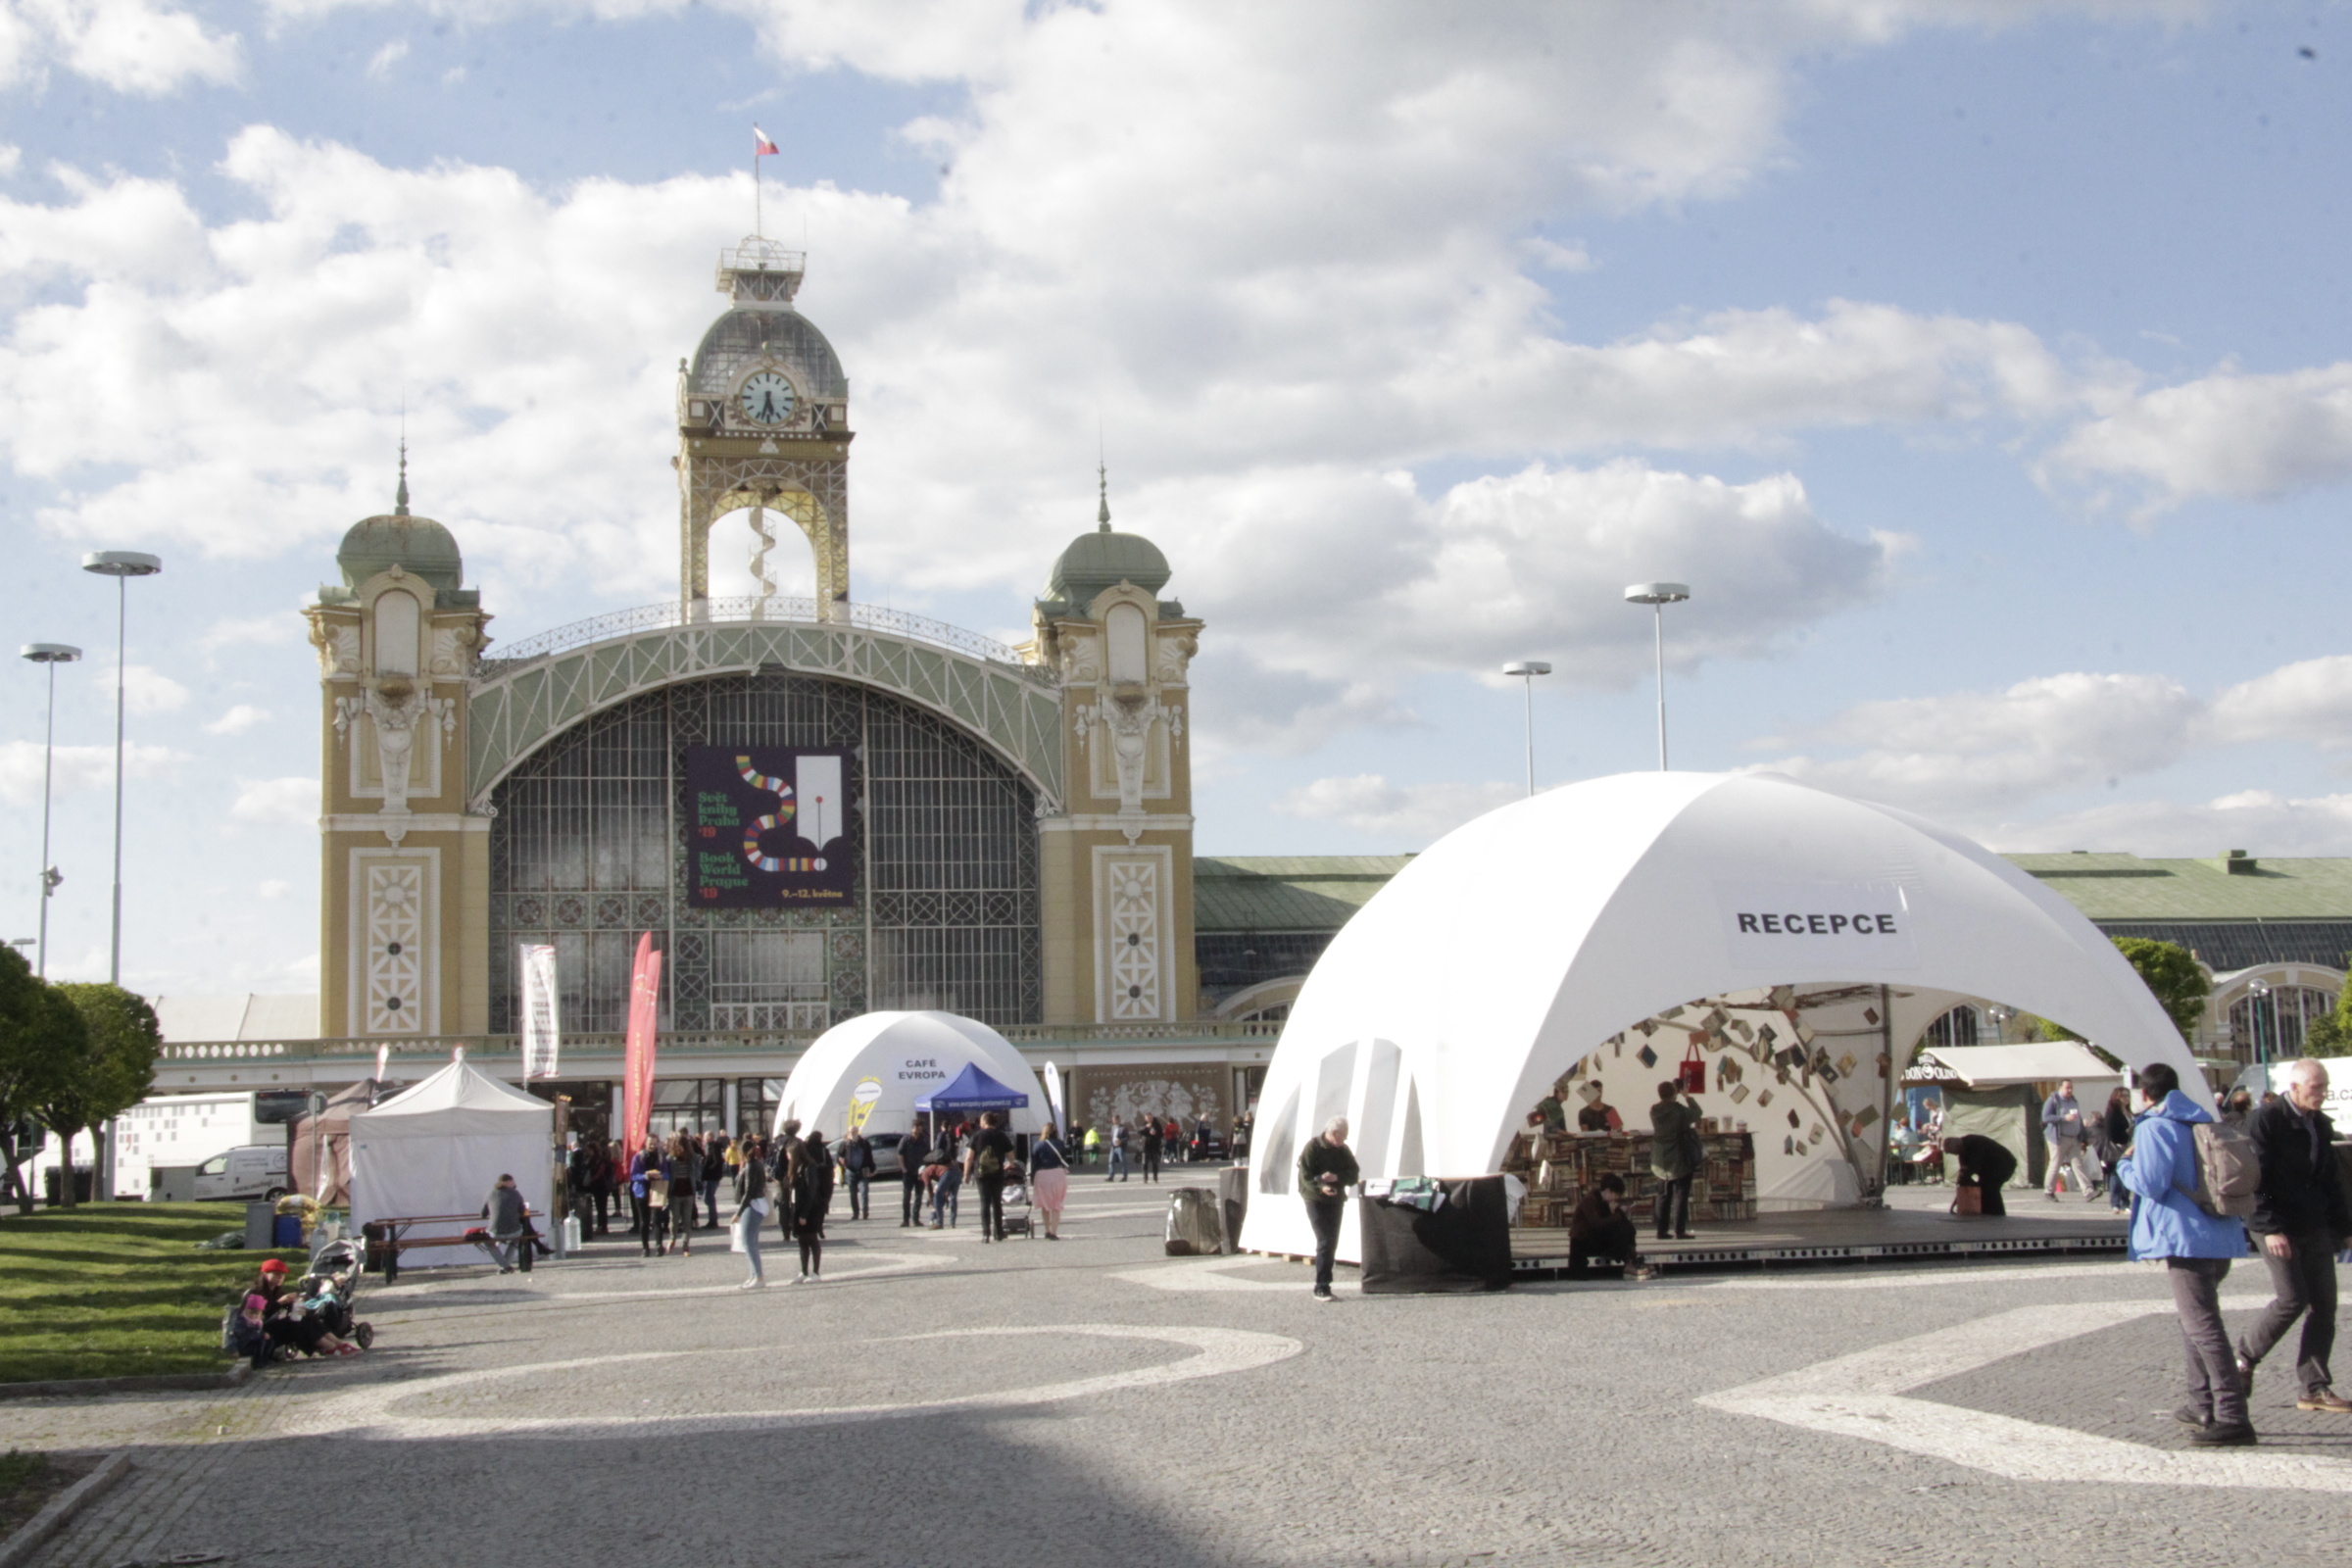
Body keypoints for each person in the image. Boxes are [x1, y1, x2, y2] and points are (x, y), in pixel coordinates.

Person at [2118, 1061, 2255, 1445]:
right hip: (2220, 1234)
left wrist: (2124, 1165)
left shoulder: (2154, 1126)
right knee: (2195, 1321)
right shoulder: (2203, 1119)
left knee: (2204, 1327)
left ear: (2146, 1093)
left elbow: (2151, 1184)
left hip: (2183, 1237)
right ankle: (2199, 1403)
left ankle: (2233, 1416)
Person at [2235, 1058, 2352, 1414]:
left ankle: (2314, 1387)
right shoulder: (2266, 1120)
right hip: (2274, 1225)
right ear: (2295, 1087)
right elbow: (2256, 1178)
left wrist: (2345, 1229)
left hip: (2312, 1224)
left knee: (2324, 1305)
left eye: (2325, 1086)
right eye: (2316, 1087)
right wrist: (2270, 1227)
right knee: (2292, 1298)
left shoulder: (2319, 1123)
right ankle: (2244, 1358)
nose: (2323, 1093)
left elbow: (2330, 1181)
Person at [1297, 1115, 1357, 1301]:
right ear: (1334, 1133)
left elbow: (1354, 1174)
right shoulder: (1313, 1147)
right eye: (1343, 1136)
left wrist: (1337, 1177)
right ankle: (1321, 1287)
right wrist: (1321, 1186)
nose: (1345, 1140)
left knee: (1331, 1241)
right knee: (1324, 1239)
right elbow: (1305, 1177)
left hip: (1335, 1199)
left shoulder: (1343, 1150)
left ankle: (1325, 1285)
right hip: (1314, 1199)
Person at [1648, 1080, 1699, 1241]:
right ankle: (1679, 1230)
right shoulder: (1678, 1110)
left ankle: (1661, 1230)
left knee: (1663, 1195)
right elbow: (1697, 1113)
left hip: (1660, 1158)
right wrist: (1687, 1097)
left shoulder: (1654, 1110)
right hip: (1679, 1155)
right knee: (1681, 1194)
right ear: (1674, 1093)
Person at [1567, 1174, 1644, 1280]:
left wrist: (1618, 1212)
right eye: (1616, 1194)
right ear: (1608, 1191)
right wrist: (1617, 1214)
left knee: (1626, 1226)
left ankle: (1631, 1260)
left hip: (1593, 1237)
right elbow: (1597, 1224)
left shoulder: (1602, 1201)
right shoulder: (1589, 1200)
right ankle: (1629, 1261)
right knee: (1619, 1228)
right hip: (1582, 1240)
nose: (1617, 1198)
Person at [967, 1110, 1017, 1242]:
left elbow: (969, 1158)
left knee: (984, 1202)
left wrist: (966, 1174)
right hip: (997, 1173)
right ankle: (999, 1232)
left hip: (981, 1174)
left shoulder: (977, 1135)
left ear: (984, 1121)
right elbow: (1012, 1157)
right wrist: (1008, 1165)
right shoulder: (1001, 1135)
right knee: (997, 1203)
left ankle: (986, 1234)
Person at [789, 1128, 832, 1282]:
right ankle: (803, 1271)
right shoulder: (798, 1167)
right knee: (802, 1241)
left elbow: (812, 1191)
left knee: (811, 1239)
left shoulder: (809, 1167)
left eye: (789, 1154)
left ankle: (815, 1272)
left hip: (811, 1208)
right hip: (799, 1206)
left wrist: (804, 1214)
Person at [2042, 1079, 2095, 1200]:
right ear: (2060, 1087)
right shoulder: (2053, 1100)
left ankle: (2088, 1191)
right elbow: (2046, 1117)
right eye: (2067, 1088)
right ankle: (2049, 1191)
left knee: (2078, 1164)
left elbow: (2078, 1117)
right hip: (2059, 1138)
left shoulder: (2073, 1100)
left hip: (2074, 1137)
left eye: (2071, 1088)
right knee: (2055, 1164)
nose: (2070, 1090)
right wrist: (2063, 1118)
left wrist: (2082, 1132)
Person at [1943, 1133, 2016, 1216]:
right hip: (1989, 1167)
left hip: (2004, 1164)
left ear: (1957, 1146)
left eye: (1954, 1152)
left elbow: (1973, 1165)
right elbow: (1964, 1171)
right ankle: (1987, 1211)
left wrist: (1966, 1179)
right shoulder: (1962, 1151)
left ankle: (1997, 1213)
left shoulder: (1975, 1143)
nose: (1956, 1154)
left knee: (1991, 1187)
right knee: (1984, 1187)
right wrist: (1961, 1187)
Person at [732, 1134, 770, 1289]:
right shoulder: (757, 1164)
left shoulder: (750, 1166)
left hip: (752, 1204)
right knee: (751, 1242)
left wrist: (738, 1213)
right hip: (758, 1203)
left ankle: (758, 1276)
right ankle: (754, 1275)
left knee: (748, 1243)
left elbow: (748, 1192)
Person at [1031, 1120, 1071, 1240]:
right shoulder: (1060, 1144)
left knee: (1045, 1204)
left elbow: (1034, 1164)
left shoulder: (1038, 1145)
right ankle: (1054, 1232)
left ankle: (1046, 1230)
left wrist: (1032, 1178)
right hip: (1057, 1173)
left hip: (1042, 1175)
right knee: (1056, 1204)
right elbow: (1064, 1159)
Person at [481, 1172, 528, 1273]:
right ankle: (506, 1266)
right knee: (515, 1240)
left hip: (495, 1231)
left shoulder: (490, 1193)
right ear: (508, 1182)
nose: (514, 1184)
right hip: (514, 1231)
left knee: (489, 1243)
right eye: (513, 1182)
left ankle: (505, 1267)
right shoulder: (516, 1193)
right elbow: (522, 1212)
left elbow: (483, 1214)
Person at [665, 1133, 701, 1257]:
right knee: (674, 1220)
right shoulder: (670, 1159)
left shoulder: (692, 1158)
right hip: (675, 1193)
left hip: (688, 1192)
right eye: (677, 1146)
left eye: (681, 1146)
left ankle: (686, 1246)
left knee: (687, 1221)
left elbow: (698, 1173)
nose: (679, 1148)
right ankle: (672, 1238)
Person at [2101, 1086, 2134, 1212]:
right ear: (2117, 1097)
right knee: (2116, 1174)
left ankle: (2125, 1202)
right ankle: (2115, 1203)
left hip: (2128, 1145)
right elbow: (2110, 1130)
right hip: (2116, 1146)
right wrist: (2120, 1140)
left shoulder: (2129, 1111)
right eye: (2123, 1096)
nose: (2126, 1098)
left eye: (2128, 1095)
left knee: (2127, 1173)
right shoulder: (2113, 1112)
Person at [929, 1123, 964, 1228]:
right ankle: (952, 1223)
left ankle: (939, 1222)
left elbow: (937, 1151)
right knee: (953, 1197)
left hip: (947, 1170)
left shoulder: (941, 1135)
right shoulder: (954, 1137)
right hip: (956, 1169)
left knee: (938, 1195)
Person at [900, 1119, 932, 1228]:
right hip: (908, 1172)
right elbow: (900, 1154)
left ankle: (916, 1219)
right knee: (907, 1196)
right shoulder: (906, 1140)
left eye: (919, 1128)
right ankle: (905, 1219)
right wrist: (903, 1168)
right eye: (915, 1127)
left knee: (919, 1196)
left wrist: (926, 1169)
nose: (917, 1130)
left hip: (920, 1172)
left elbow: (928, 1155)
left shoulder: (924, 1140)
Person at [839, 1127, 874, 1220]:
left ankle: (865, 1212)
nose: (852, 1134)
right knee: (853, 1194)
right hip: (851, 1171)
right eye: (850, 1132)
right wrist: (841, 1161)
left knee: (864, 1192)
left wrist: (872, 1169)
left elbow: (870, 1157)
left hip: (863, 1170)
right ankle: (856, 1213)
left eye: (854, 1132)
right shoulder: (845, 1144)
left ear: (858, 1132)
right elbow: (840, 1156)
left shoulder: (864, 1143)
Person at [700, 1132, 727, 1229]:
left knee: (709, 1198)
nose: (704, 1138)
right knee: (709, 1198)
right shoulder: (709, 1146)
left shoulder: (714, 1147)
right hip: (711, 1175)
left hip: (713, 1176)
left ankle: (713, 1220)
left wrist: (708, 1169)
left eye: (705, 1136)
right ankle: (712, 1219)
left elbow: (717, 1161)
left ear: (710, 1137)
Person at [1141, 1116, 1164, 1184]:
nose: (1148, 1120)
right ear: (1145, 1119)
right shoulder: (1144, 1125)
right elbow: (1140, 1132)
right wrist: (1146, 1128)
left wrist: (1155, 1133)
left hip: (1154, 1147)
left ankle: (1155, 1178)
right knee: (1144, 1163)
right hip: (1145, 1147)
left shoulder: (1157, 1125)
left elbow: (1161, 1134)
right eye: (1147, 1118)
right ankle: (1145, 1178)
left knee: (1155, 1163)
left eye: (1150, 1118)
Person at [1108, 1117, 1131, 1182]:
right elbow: (1112, 1137)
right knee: (1111, 1161)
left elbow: (1128, 1137)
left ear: (1118, 1120)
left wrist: (1120, 1141)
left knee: (1123, 1161)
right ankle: (1111, 1176)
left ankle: (1124, 1176)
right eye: (1113, 1120)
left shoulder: (1123, 1128)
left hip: (1120, 1147)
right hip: (1113, 1147)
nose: (1114, 1122)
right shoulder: (1113, 1127)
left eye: (1115, 1120)